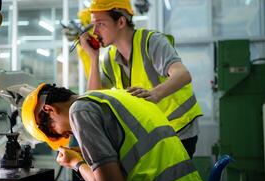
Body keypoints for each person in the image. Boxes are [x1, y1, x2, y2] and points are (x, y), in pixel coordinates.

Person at [21, 83, 205, 181]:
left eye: (55, 133)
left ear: (49, 110)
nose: (67, 135)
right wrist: (86, 153)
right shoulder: (113, 95)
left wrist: (76, 163)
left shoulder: (79, 111)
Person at [79, 0, 203, 158]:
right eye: (93, 25)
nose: (94, 31)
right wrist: (94, 57)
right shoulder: (110, 58)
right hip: (155, 131)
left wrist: (155, 94)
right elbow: (93, 98)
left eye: (100, 24)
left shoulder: (151, 42)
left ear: (121, 21)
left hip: (179, 127)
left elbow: (183, 74)